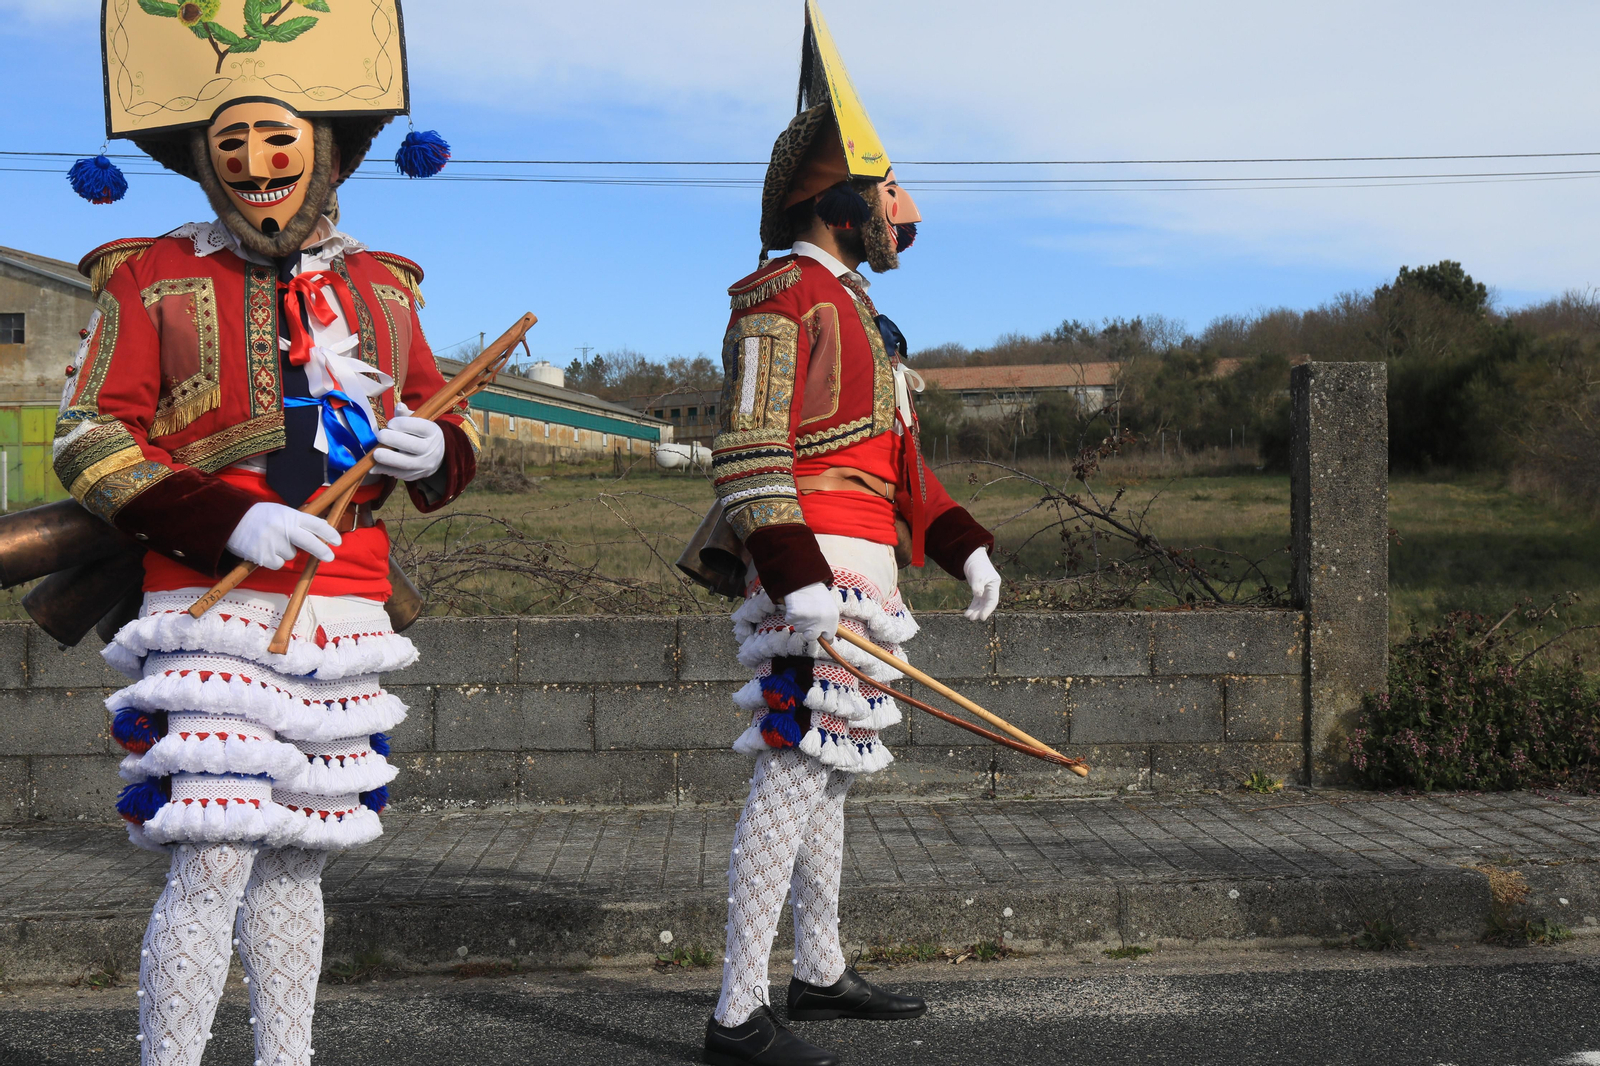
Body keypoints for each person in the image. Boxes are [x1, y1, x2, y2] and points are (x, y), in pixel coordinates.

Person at [59, 4, 475, 1063]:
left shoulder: (387, 284)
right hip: (209, 602)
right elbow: (92, 437)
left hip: (346, 601)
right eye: (230, 143)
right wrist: (228, 515)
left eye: (277, 139)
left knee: (299, 858)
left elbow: (441, 413)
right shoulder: (149, 274)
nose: (253, 161)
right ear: (203, 162)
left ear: (326, 154)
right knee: (212, 858)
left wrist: (441, 452)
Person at [702, 4, 1002, 1064]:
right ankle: (737, 1009)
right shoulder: (778, 297)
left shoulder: (862, 316)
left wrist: (961, 540)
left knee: (828, 765)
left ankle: (818, 969)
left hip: (868, 563)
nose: (897, 209)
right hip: (814, 565)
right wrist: (795, 575)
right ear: (832, 199)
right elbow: (747, 447)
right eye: (881, 189)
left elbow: (900, 464)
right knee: (791, 771)